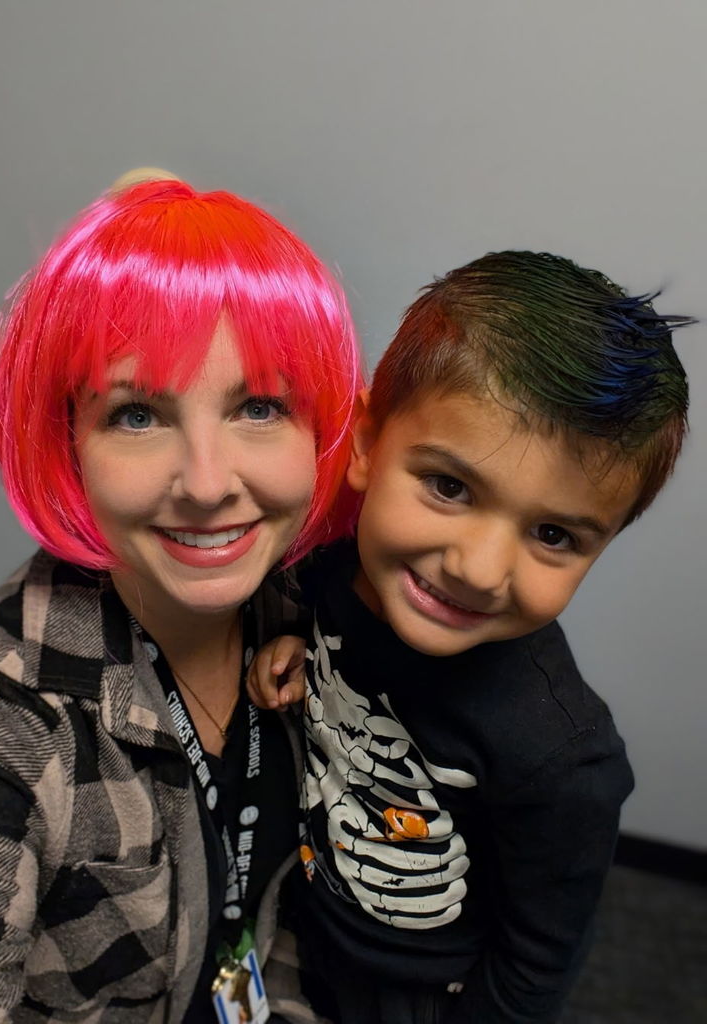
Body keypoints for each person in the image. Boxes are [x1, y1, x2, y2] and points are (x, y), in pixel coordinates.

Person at [0, 172, 363, 1021]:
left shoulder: (317, 622)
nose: (207, 485)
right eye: (136, 416)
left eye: (260, 406)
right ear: (66, 442)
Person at [249, 251, 691, 1023]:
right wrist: (293, 645)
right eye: (450, 487)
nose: (481, 571)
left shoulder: (565, 758)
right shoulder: (334, 576)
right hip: (302, 921)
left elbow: (537, 965)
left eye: (554, 534)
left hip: (424, 997)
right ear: (364, 444)